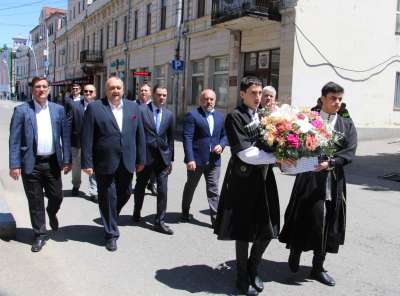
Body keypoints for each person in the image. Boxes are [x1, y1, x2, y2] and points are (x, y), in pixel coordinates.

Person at [279, 82, 358, 286]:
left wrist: (332, 162)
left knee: (329, 222)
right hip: (310, 177)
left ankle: (317, 266)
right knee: (304, 216)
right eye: (333, 98)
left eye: (340, 99)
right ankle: (295, 251)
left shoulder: (346, 124)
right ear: (323, 99)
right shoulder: (308, 119)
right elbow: (292, 141)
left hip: (333, 179)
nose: (337, 102)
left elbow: (349, 151)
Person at [214, 77, 283, 295]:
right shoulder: (235, 117)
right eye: (253, 92)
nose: (257, 97)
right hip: (243, 180)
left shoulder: (264, 116)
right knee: (243, 230)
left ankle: (254, 267)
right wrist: (277, 159)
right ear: (242, 94)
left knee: (267, 228)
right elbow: (246, 154)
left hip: (264, 179)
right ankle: (242, 275)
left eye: (260, 92)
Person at [81, 76, 146, 251]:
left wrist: (141, 159)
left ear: (123, 90)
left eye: (118, 88)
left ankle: (109, 215)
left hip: (127, 159)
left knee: (125, 192)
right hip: (104, 161)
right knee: (107, 195)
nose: (115, 91)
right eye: (112, 88)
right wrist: (87, 162)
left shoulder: (133, 107)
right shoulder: (95, 108)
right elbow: (87, 137)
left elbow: (140, 135)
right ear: (106, 90)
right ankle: (111, 234)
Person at [9, 76, 72, 252]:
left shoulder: (58, 110)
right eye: (38, 87)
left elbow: (65, 138)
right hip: (31, 163)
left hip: (52, 162)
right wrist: (14, 165)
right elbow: (14, 140)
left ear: (49, 89)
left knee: (57, 196)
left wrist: (67, 160)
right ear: (32, 89)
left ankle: (51, 212)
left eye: (44, 86)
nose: (41, 89)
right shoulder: (22, 110)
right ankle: (39, 234)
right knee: (35, 201)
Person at [181, 89, 227, 227]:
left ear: (215, 100)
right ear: (200, 101)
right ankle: (185, 211)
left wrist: (222, 145)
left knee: (213, 189)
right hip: (196, 160)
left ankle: (215, 220)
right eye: (206, 99)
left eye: (211, 99)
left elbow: (225, 135)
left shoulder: (219, 117)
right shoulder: (193, 115)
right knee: (191, 186)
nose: (209, 102)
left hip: (214, 159)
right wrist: (190, 159)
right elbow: (187, 138)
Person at [133, 84, 175, 235]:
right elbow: (136, 133)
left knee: (163, 190)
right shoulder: (142, 110)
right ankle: (137, 211)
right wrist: (137, 157)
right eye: (159, 94)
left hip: (162, 157)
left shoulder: (169, 114)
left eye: (164, 95)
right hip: (145, 156)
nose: (162, 97)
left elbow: (170, 138)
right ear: (153, 95)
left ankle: (160, 221)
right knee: (140, 185)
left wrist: (170, 160)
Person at [70, 84, 98, 202]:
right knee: (76, 166)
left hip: (94, 143)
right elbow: (69, 124)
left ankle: (93, 191)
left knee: (93, 167)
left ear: (95, 93)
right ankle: (76, 185)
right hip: (77, 142)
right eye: (86, 91)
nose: (88, 93)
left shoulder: (99, 107)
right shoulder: (76, 106)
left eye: (91, 92)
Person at [134, 83, 157, 195]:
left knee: (153, 169)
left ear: (151, 93)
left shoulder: (154, 107)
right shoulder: (133, 105)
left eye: (146, 90)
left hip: (152, 144)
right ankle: (140, 185)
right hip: (137, 142)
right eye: (141, 90)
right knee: (139, 166)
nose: (143, 92)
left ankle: (152, 184)